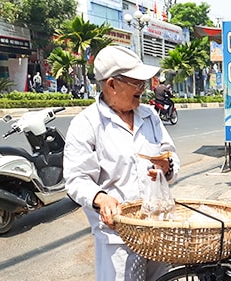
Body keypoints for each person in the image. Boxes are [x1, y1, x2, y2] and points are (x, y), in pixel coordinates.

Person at [63, 45, 180, 281]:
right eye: (137, 83)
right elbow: (77, 178)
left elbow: (170, 155)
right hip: (117, 236)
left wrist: (167, 167)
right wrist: (100, 198)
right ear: (112, 85)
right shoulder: (86, 124)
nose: (144, 89)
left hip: (156, 227)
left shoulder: (150, 116)